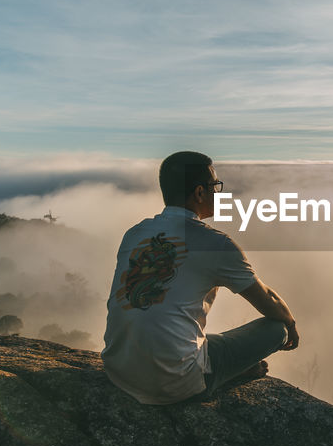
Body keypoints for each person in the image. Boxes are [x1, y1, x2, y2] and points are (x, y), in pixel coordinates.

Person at [101, 151, 300, 404]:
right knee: (276, 329)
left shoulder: (135, 233)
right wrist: (291, 324)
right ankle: (227, 373)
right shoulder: (215, 243)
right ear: (199, 193)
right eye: (215, 186)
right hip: (177, 383)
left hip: (119, 371)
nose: (218, 193)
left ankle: (227, 366)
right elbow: (268, 302)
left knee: (200, 337)